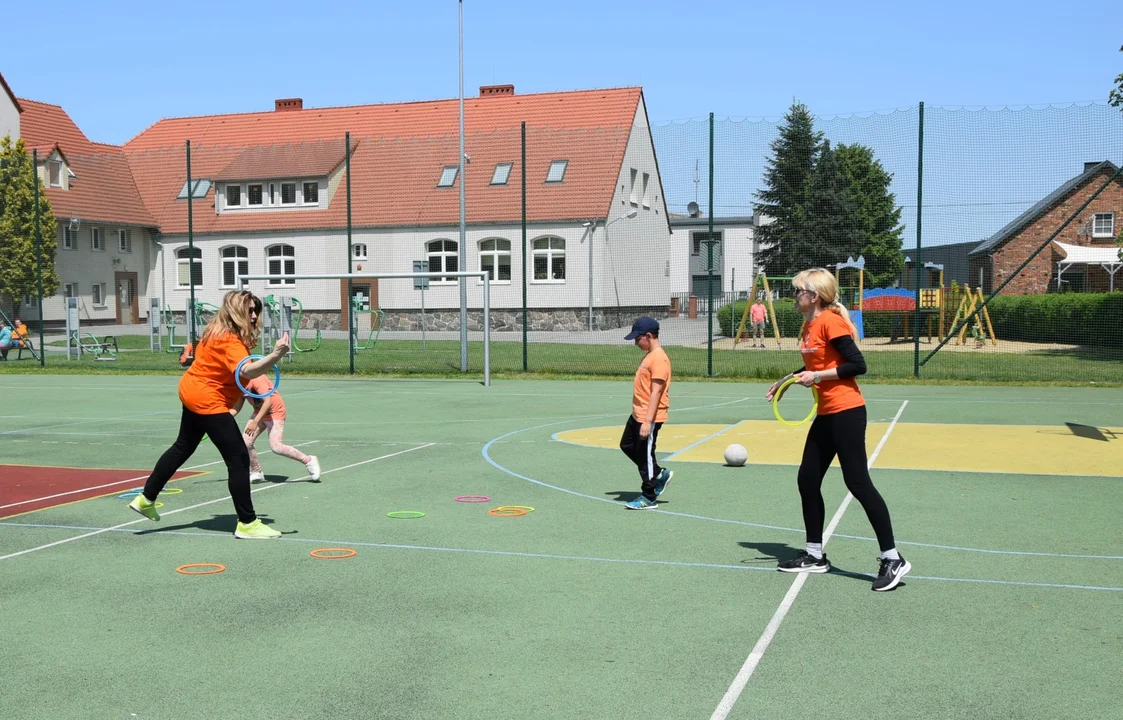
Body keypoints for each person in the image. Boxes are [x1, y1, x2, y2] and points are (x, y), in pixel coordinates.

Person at [765, 268, 910, 591]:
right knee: (807, 479)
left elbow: (857, 365)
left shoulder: (830, 321)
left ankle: (893, 557)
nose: (793, 295)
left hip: (847, 412)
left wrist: (817, 378)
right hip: (827, 413)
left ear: (813, 296)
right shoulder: (810, 325)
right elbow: (816, 365)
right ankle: (815, 554)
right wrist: (787, 380)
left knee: (857, 482)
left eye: (797, 291)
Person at [128, 290, 290, 539]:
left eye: (257, 309)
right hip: (206, 399)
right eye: (250, 310)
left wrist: (233, 408)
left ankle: (146, 498)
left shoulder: (217, 331)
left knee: (183, 446)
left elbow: (232, 378)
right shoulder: (229, 340)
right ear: (236, 312)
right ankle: (247, 523)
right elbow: (247, 371)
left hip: (192, 391)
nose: (255, 315)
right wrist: (276, 355)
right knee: (238, 458)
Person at [620, 316, 672, 510]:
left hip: (648, 416)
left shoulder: (659, 359)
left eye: (637, 339)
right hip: (637, 413)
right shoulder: (650, 355)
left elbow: (656, 392)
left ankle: (648, 496)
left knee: (645, 455)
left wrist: (648, 422)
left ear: (648, 336)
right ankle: (658, 474)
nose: (635, 343)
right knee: (627, 445)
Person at [232, 375, 320, 483]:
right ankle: (257, 472)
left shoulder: (256, 378)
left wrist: (255, 422)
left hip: (275, 412)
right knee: (246, 442)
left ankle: (309, 460)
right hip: (259, 412)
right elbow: (237, 406)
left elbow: (267, 402)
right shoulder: (238, 383)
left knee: (276, 447)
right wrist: (222, 418)